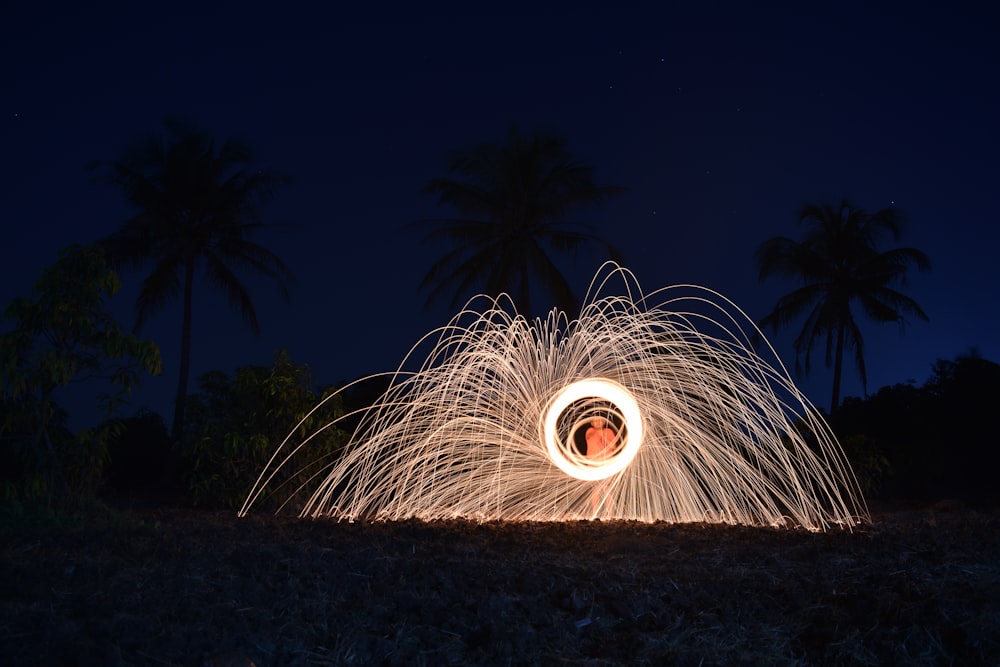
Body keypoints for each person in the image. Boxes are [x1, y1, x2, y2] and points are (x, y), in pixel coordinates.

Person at [585, 416, 618, 516]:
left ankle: (611, 514)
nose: (598, 422)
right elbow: (590, 438)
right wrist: (599, 435)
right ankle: (594, 513)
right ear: (592, 423)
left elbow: (613, 447)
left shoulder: (609, 432)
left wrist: (603, 437)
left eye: (600, 420)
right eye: (595, 421)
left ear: (604, 422)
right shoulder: (589, 431)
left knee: (607, 488)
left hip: (606, 464)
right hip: (593, 464)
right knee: (596, 489)